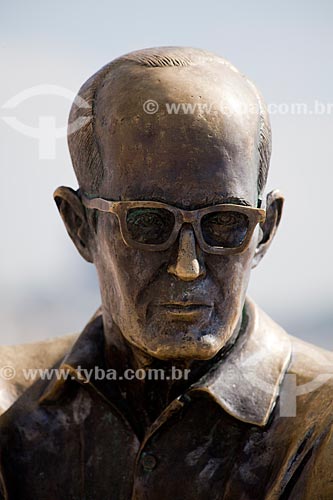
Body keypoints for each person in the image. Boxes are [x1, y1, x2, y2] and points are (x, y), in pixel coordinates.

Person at [1, 46, 333, 499]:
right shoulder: (7, 411)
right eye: (148, 223)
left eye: (224, 223)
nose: (187, 265)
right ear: (80, 226)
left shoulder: (322, 422)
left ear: (265, 230)